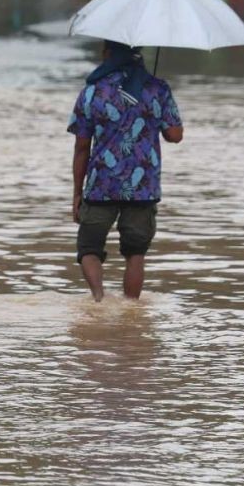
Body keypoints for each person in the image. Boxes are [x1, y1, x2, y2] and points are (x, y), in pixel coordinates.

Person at [69, 42, 183, 301]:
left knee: (89, 248)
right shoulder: (156, 88)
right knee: (135, 253)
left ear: (109, 55)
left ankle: (98, 299)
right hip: (143, 186)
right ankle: (131, 309)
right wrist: (155, 114)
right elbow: (175, 135)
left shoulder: (92, 92)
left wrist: (77, 193)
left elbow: (81, 147)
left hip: (100, 185)